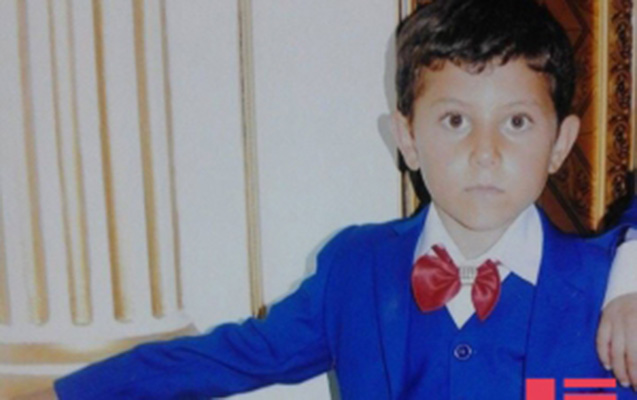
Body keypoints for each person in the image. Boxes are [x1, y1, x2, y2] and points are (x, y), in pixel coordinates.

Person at [18, 0, 637, 398]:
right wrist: (66, 394)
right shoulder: (355, 269)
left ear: (560, 144)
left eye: (516, 123)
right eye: (454, 121)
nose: (484, 151)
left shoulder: (610, 280)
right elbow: (233, 356)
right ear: (407, 139)